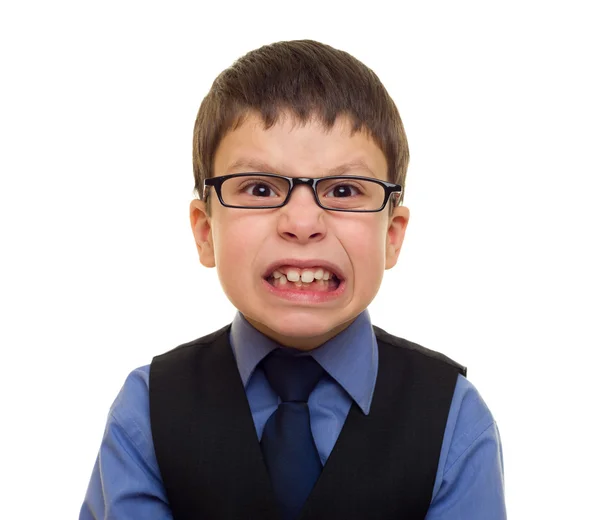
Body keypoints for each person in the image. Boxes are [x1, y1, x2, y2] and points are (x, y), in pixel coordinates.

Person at [80, 39, 506, 519]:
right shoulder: (147, 413)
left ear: (392, 235)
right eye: (260, 188)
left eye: (344, 190)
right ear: (205, 231)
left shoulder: (453, 419)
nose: (302, 223)